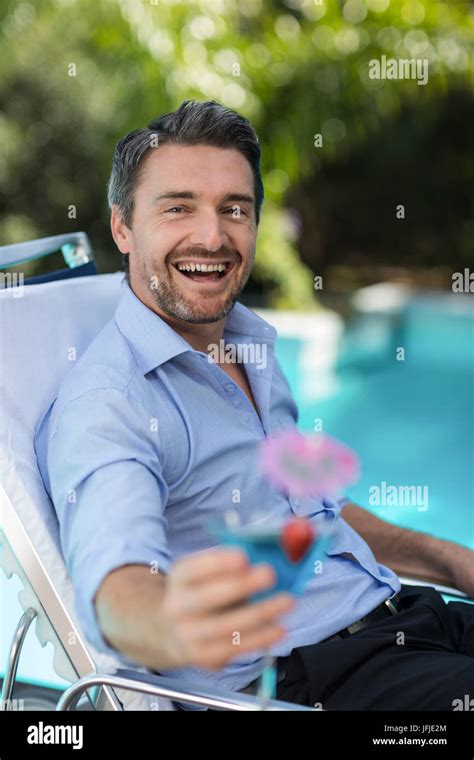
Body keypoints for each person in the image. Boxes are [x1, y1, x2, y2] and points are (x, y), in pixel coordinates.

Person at [35, 100, 474, 711]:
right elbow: (118, 584)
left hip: (412, 621)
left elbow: (316, 513)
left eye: (234, 210)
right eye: (178, 207)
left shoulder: (249, 343)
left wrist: (454, 561)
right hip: (319, 684)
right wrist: (163, 621)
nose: (212, 236)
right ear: (122, 228)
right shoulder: (111, 402)